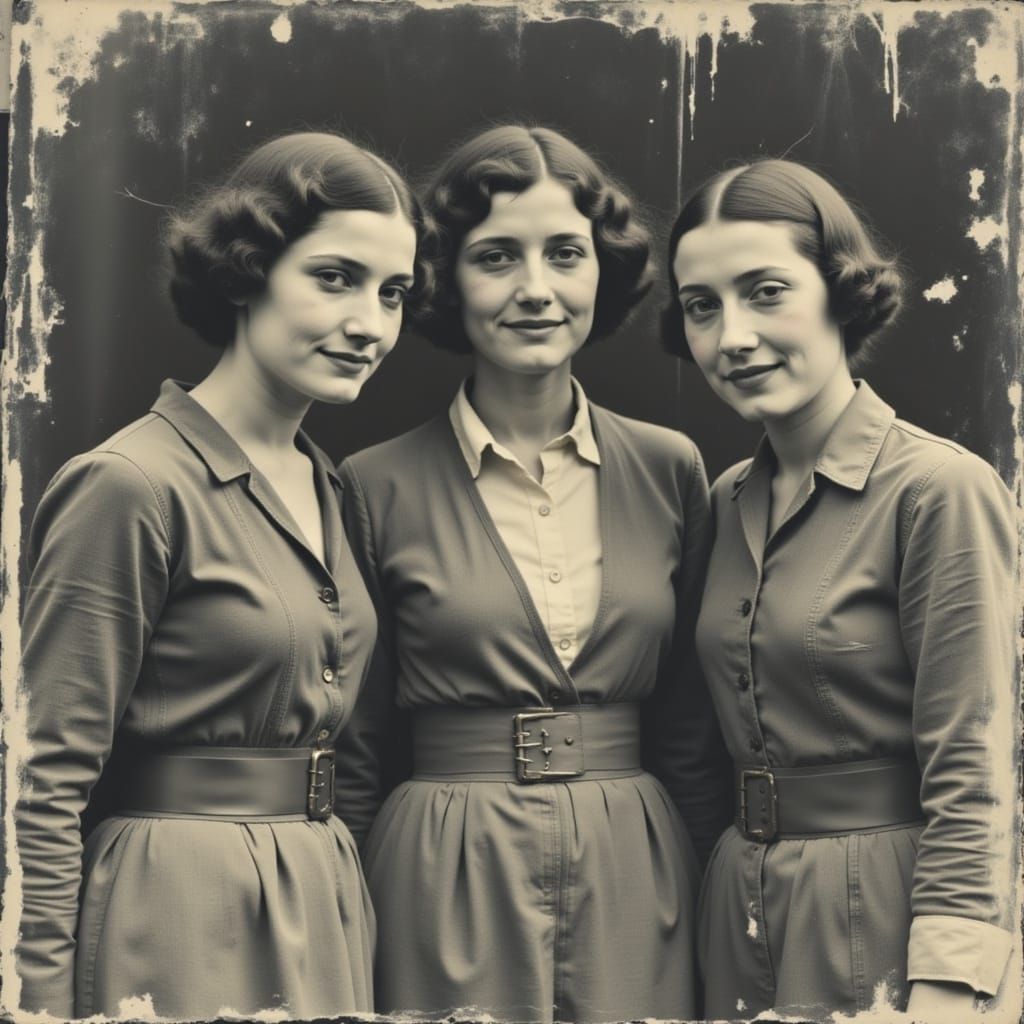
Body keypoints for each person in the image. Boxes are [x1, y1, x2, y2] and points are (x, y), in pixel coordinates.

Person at [13, 130, 431, 1019]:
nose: (369, 323)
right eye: (334, 277)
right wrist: (35, 1003)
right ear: (247, 271)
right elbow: (40, 784)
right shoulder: (128, 485)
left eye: (392, 293)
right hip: (176, 911)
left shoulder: (330, 485)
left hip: (321, 897)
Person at [334, 124, 731, 1024]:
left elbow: (691, 726)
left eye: (565, 254)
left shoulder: (673, 468)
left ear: (603, 271)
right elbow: (354, 741)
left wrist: (712, 900)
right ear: (446, 279)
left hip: (639, 868)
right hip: (441, 872)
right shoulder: (371, 483)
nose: (536, 290)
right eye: (496, 257)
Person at [663, 158, 1016, 1020]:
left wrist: (951, 977)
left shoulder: (938, 489)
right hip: (736, 914)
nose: (732, 336)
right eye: (701, 306)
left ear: (839, 293)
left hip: (889, 911)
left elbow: (975, 762)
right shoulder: (723, 498)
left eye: (766, 291)